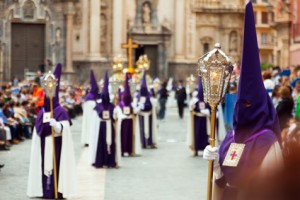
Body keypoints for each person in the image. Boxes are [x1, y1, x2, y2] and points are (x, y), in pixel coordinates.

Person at [203, 3, 283, 199]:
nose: (244, 109)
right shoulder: (230, 138)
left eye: (250, 104)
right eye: (241, 104)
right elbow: (223, 182)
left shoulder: (267, 142)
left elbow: (271, 188)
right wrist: (215, 165)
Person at [27, 64, 77, 199]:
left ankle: (57, 190)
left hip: (57, 144)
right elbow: (38, 130)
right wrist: (42, 127)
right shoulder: (42, 111)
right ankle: (45, 190)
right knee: (44, 166)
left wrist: (57, 126)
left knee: (56, 168)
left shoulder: (60, 111)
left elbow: (65, 128)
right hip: (44, 144)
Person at [90, 72, 121, 168]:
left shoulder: (112, 105)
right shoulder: (98, 105)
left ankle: (111, 161)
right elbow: (96, 117)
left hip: (109, 126)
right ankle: (101, 160)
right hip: (101, 127)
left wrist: (116, 114)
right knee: (101, 144)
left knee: (111, 143)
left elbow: (115, 117)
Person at [115, 74, 142, 156]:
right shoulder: (121, 103)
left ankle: (129, 150)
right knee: (123, 136)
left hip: (130, 121)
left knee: (129, 136)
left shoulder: (131, 102)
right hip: (123, 121)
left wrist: (136, 109)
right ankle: (123, 150)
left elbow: (135, 110)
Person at [187, 78, 210, 156]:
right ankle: (195, 149)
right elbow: (191, 109)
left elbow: (210, 109)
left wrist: (207, 111)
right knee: (196, 135)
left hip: (205, 120)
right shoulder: (195, 100)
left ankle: (205, 149)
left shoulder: (207, 100)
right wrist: (194, 109)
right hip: (197, 120)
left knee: (205, 135)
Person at [136, 72, 158, 149]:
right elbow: (136, 105)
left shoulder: (149, 96)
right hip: (141, 115)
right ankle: (142, 142)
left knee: (149, 129)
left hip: (148, 115)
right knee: (141, 129)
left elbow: (151, 105)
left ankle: (149, 142)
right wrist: (138, 107)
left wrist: (145, 106)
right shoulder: (138, 95)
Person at [81, 70, 99, 146]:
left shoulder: (88, 98)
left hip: (88, 115)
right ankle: (90, 139)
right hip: (91, 116)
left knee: (87, 125)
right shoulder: (92, 100)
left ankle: (87, 140)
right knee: (90, 125)